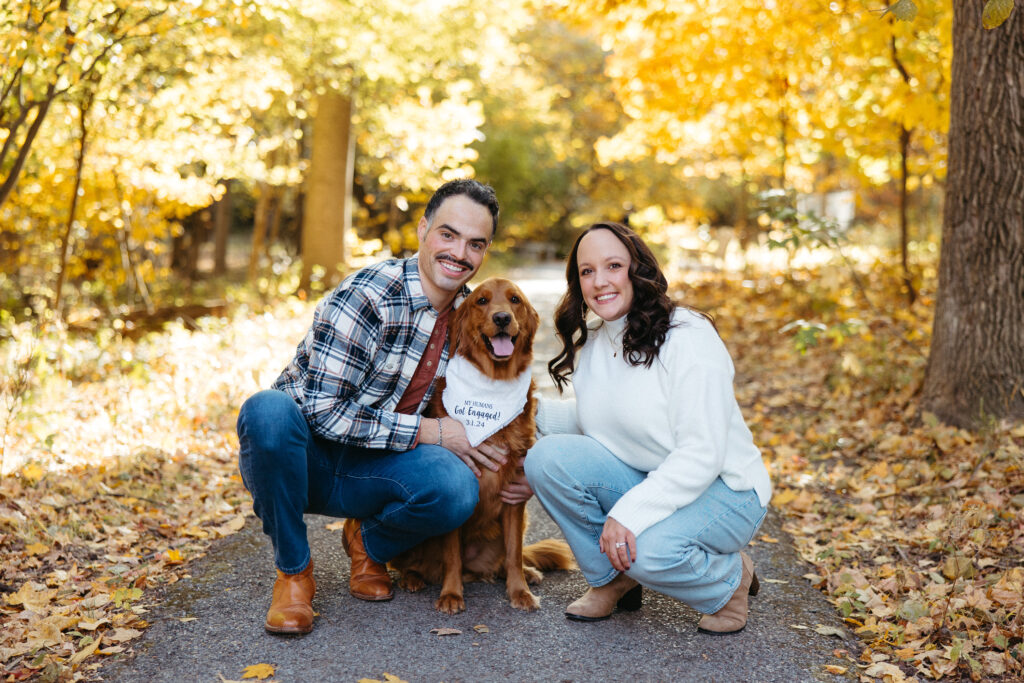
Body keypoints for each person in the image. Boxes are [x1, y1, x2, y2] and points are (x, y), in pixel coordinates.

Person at [236, 179, 509, 635]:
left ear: (485, 251)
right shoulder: (370, 295)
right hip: (307, 462)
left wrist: (521, 469)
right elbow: (322, 410)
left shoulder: (470, 314)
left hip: (377, 469)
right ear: (423, 229)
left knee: (457, 488)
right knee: (266, 410)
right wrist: (430, 433)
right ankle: (294, 573)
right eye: (448, 234)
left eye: (475, 243)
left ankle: (369, 544)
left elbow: (496, 402)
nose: (459, 253)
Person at [515, 221, 772, 634]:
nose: (600, 281)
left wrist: (630, 515)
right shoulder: (597, 341)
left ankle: (728, 581)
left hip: (727, 490)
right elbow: (594, 421)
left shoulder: (688, 336)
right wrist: (515, 415)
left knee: (645, 551)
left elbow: (701, 454)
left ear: (637, 268)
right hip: (658, 479)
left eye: (613, 265)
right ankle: (613, 579)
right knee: (546, 459)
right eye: (586, 271)